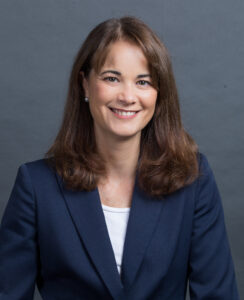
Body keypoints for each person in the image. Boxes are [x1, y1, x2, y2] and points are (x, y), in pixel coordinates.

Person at [0, 16, 240, 300]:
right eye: (112, 78)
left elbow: (218, 295)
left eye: (143, 81)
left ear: (159, 93)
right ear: (85, 84)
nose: (128, 96)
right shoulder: (36, 186)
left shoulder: (193, 179)